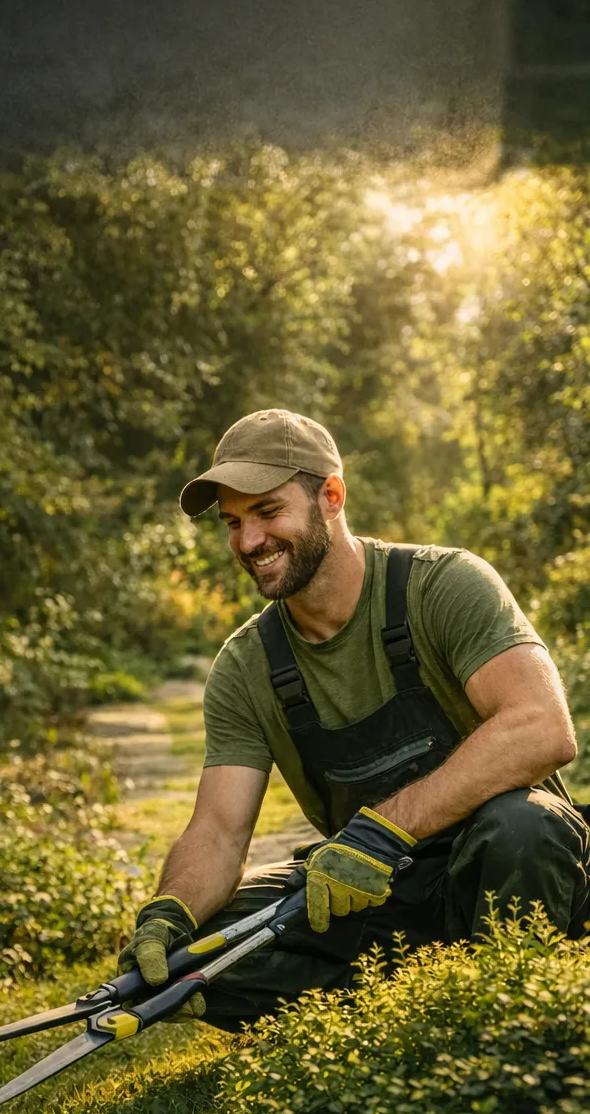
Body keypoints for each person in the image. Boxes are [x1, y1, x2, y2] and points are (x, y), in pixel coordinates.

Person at [119, 408, 590, 1029]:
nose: (247, 542)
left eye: (266, 512)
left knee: (523, 827)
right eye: (233, 522)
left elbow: (542, 726)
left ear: (331, 497)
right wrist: (169, 913)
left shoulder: (443, 585)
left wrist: (382, 831)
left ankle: (509, 1011)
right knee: (198, 950)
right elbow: (218, 832)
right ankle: (396, 1007)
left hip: (504, 865)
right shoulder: (246, 665)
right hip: (369, 891)